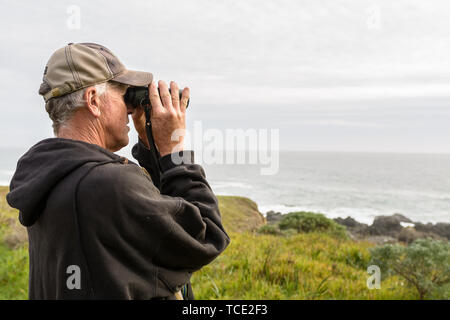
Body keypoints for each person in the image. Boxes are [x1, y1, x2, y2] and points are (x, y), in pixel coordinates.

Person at [6, 42, 230, 299]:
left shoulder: (50, 177)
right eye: (124, 95)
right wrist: (174, 150)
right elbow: (206, 236)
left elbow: (146, 234)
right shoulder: (108, 184)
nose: (132, 108)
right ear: (93, 101)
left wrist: (151, 147)